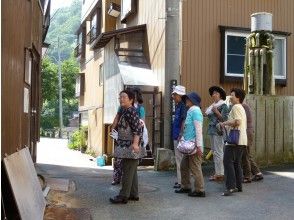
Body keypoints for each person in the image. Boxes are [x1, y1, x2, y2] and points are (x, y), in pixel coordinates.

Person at [110, 89, 146, 204]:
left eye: (124, 97)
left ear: (131, 100)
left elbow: (137, 129)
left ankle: (123, 195)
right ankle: (133, 194)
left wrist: (135, 144)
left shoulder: (131, 111)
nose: (121, 99)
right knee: (132, 170)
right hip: (127, 146)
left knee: (127, 170)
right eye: (120, 97)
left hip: (131, 146)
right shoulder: (126, 110)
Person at [175, 92, 205, 197]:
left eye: (188, 99)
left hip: (194, 145)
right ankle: (186, 186)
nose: (186, 100)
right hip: (189, 145)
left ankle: (200, 190)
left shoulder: (196, 111)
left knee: (195, 167)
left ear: (192, 101)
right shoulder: (191, 111)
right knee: (184, 165)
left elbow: (198, 129)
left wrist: (199, 146)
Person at [219, 88, 247, 196]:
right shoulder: (241, 107)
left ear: (238, 98)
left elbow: (237, 122)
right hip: (241, 140)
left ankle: (231, 187)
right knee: (236, 163)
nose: (230, 97)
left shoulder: (236, 107)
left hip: (235, 139)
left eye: (232, 95)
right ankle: (238, 186)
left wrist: (224, 123)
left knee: (227, 161)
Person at [205, 86, 229, 181]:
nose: (214, 95)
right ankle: (217, 173)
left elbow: (225, 119)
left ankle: (220, 173)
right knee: (215, 152)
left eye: (216, 93)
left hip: (218, 131)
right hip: (212, 130)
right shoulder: (212, 106)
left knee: (219, 152)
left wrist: (216, 112)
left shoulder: (223, 106)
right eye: (213, 93)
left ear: (220, 95)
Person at [241, 103, 263, 182]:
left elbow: (242, 121)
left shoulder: (242, 106)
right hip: (248, 132)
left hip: (246, 132)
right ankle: (257, 173)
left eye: (232, 95)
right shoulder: (244, 106)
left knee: (245, 155)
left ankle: (247, 176)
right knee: (247, 154)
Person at [171, 85, 187, 189]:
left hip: (179, 136)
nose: (173, 96)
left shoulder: (183, 106)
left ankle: (182, 181)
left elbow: (184, 121)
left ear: (180, 95)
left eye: (175, 94)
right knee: (179, 159)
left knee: (180, 159)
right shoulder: (178, 105)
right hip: (176, 135)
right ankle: (180, 180)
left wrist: (181, 134)